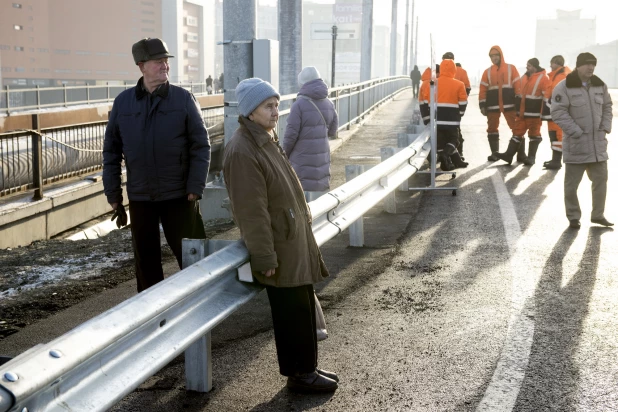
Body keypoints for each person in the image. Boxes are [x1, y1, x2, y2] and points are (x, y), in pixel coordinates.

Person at [222, 77, 338, 393]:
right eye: (268, 106)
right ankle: (300, 375)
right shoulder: (243, 150)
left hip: (292, 238)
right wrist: (264, 256)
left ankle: (308, 368)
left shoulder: (264, 139)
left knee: (301, 307)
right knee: (290, 313)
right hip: (279, 245)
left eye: (276, 105)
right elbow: (251, 211)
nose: (276, 111)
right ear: (250, 111)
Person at [103, 38, 211, 292]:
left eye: (166, 61)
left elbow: (201, 145)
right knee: (147, 266)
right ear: (141, 66)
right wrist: (114, 195)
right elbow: (111, 152)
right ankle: (154, 322)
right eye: (158, 61)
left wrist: (195, 186)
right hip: (141, 197)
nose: (165, 65)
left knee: (193, 258)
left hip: (180, 195)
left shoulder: (183, 100)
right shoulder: (123, 103)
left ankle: (202, 310)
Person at [551, 52, 613, 229]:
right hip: (576, 144)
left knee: (601, 181)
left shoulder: (600, 85)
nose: (591, 67)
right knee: (571, 185)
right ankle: (573, 216)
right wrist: (575, 131)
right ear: (578, 66)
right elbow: (557, 112)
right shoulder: (564, 87)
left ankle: (598, 215)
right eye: (587, 64)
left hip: (598, 145)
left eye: (593, 64)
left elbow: (608, 106)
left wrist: (605, 126)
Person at [283, 66, 338, 201]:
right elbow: (333, 130)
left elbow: (291, 135)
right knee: (320, 197)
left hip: (302, 160)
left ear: (302, 84)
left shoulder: (299, 105)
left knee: (302, 199)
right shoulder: (329, 103)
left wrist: (284, 154)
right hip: (322, 157)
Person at [495, 58, 550, 166]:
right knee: (517, 133)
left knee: (534, 135)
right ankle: (508, 155)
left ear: (534, 66)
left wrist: (544, 114)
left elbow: (546, 97)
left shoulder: (544, 78)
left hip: (534, 114)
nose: (527, 67)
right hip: (522, 114)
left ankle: (531, 158)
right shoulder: (524, 77)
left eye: (529, 66)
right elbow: (518, 93)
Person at [420, 59, 468, 170]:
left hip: (437, 120)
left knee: (441, 142)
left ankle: (447, 163)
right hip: (452, 120)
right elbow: (463, 102)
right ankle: (446, 156)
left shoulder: (432, 83)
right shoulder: (459, 84)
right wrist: (459, 114)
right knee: (454, 140)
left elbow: (426, 101)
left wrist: (429, 116)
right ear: (454, 70)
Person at [479, 46, 522, 161]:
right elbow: (483, 89)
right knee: (492, 129)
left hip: (510, 105)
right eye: (491, 56)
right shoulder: (487, 72)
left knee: (517, 128)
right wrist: (482, 105)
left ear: (501, 55)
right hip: (492, 106)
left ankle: (521, 155)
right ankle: (495, 154)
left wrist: (519, 102)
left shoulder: (511, 68)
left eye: (495, 55)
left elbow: (518, 86)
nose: (494, 58)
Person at [541, 55, 571, 169]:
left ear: (557, 63)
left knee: (558, 136)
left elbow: (558, 95)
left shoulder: (561, 76)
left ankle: (557, 161)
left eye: (551, 63)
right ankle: (555, 160)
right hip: (551, 112)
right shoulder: (555, 76)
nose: (550, 65)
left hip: (557, 112)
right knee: (553, 135)